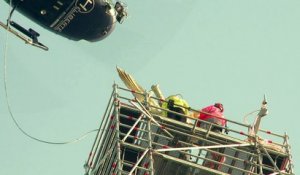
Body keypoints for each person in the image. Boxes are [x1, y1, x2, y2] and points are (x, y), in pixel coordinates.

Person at [197, 103, 227, 170]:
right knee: (213, 142)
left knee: (203, 137)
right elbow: (223, 123)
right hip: (218, 124)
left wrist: (198, 123)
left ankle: (215, 157)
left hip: (209, 120)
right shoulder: (222, 115)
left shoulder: (212, 107)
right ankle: (217, 157)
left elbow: (202, 113)